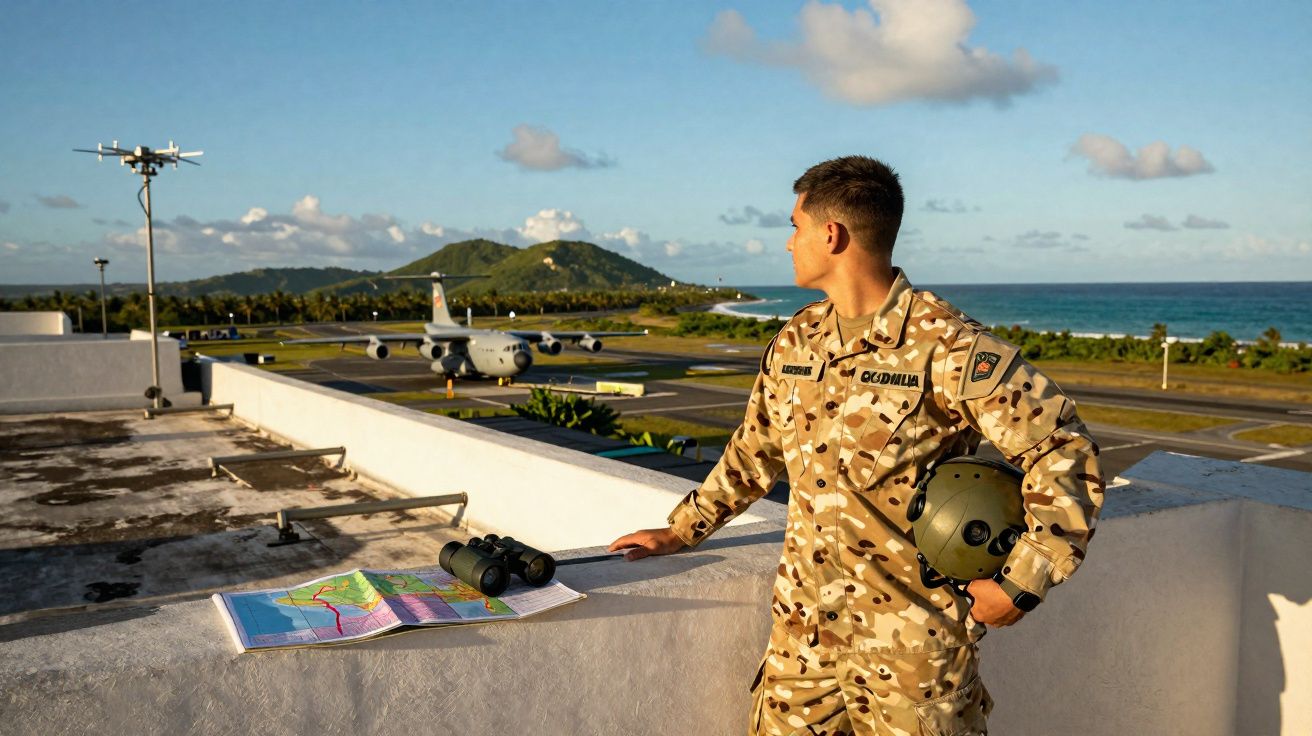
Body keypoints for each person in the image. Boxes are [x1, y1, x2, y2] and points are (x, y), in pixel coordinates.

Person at [609, 156, 1105, 735]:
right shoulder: (797, 340)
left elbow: (1063, 449)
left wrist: (1022, 584)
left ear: (831, 233)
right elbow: (755, 450)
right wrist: (681, 529)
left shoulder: (946, 347)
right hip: (804, 648)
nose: (788, 243)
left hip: (912, 655)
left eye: (795, 226)